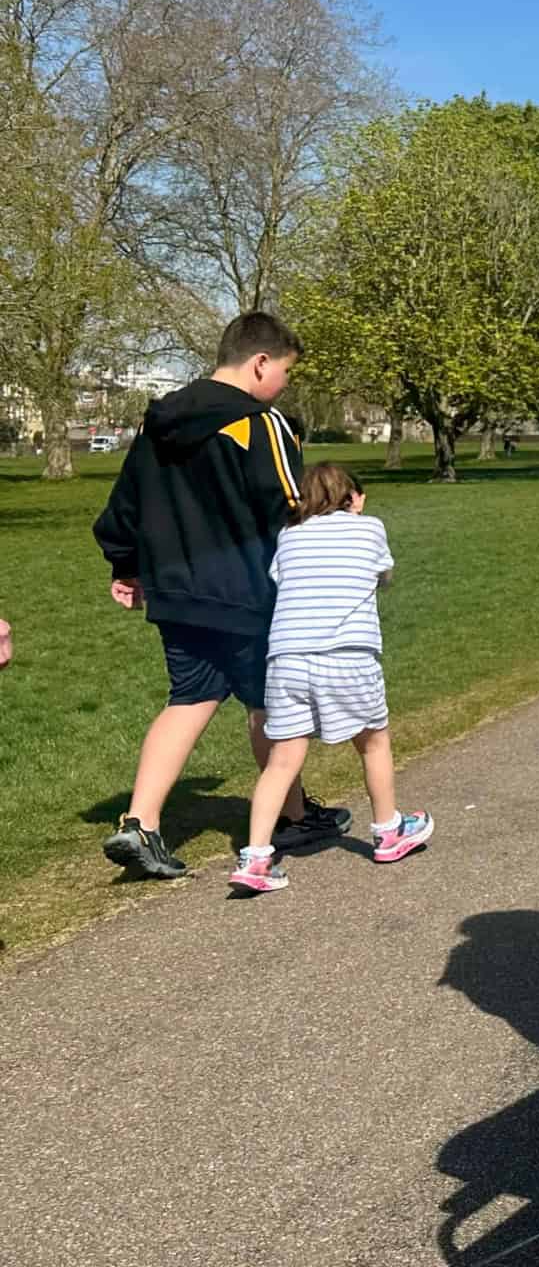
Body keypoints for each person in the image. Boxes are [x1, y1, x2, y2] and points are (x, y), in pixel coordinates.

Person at [92, 312, 350, 879]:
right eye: (285, 371)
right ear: (260, 362)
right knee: (268, 704)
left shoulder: (155, 425)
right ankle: (292, 815)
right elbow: (290, 508)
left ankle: (140, 823)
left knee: (189, 697)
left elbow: (124, 507)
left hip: (174, 591)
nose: (284, 384)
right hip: (247, 591)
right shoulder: (263, 424)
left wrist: (127, 566)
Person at [229, 462, 431, 893]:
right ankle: (388, 830)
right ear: (351, 497)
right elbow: (384, 576)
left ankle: (256, 858)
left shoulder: (289, 534)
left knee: (282, 760)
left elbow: (282, 579)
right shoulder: (369, 528)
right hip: (348, 654)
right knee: (374, 741)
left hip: (287, 658)